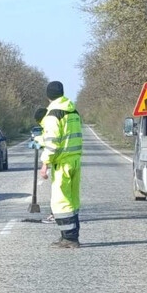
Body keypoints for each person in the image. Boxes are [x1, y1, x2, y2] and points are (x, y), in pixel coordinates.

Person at [39, 81, 83, 248]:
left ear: (48, 96)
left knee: (61, 201)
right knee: (72, 200)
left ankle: (69, 239)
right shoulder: (73, 111)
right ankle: (71, 235)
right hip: (75, 160)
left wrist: (45, 164)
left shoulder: (53, 115)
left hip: (62, 163)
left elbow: (52, 141)